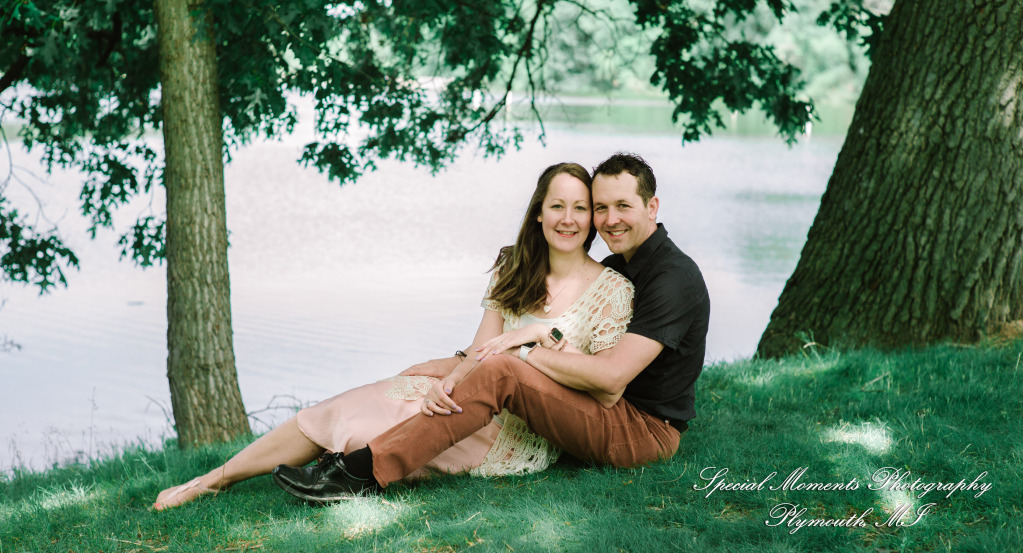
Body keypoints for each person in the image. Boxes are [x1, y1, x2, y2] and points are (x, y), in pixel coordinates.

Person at [152, 161, 635, 510]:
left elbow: (600, 389)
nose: (568, 219)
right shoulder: (514, 268)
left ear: (592, 217)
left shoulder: (611, 290)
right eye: (557, 206)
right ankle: (214, 479)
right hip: (466, 392)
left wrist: (532, 342)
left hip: (515, 428)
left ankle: (342, 471)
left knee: (365, 432)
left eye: (579, 208)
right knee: (350, 404)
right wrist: (440, 377)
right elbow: (477, 350)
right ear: (538, 213)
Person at [271, 152, 710, 502]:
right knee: (485, 369)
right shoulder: (622, 264)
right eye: (601, 208)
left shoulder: (673, 277)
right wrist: (450, 364)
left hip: (643, 432)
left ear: (652, 206)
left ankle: (366, 471)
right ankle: (349, 454)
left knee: (504, 369)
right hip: (605, 411)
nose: (609, 219)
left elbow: (612, 379)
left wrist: (525, 347)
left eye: (623, 206)